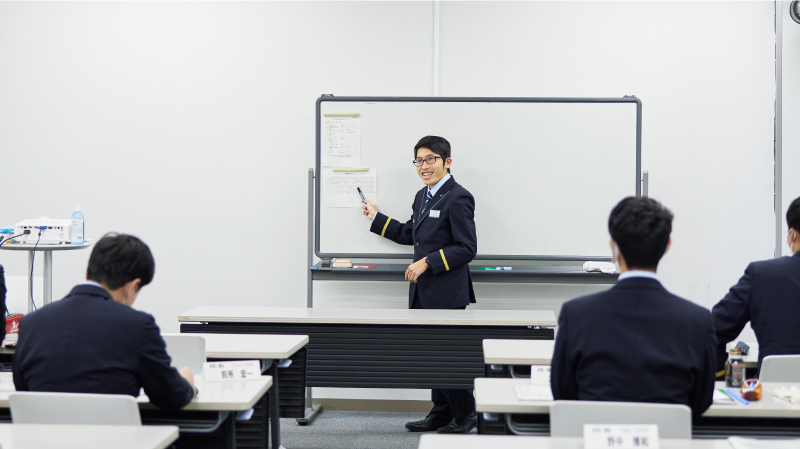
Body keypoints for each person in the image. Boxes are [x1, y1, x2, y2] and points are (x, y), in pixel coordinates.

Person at [551, 197, 716, 417]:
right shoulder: (699, 321)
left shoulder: (575, 315)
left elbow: (564, 395)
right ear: (667, 246)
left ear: (613, 249)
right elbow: (700, 402)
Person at [362, 135, 478, 433]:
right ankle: (441, 413)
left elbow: (467, 248)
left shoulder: (458, 196)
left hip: (448, 291)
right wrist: (377, 218)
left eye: (430, 159)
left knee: (451, 354)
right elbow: (411, 233)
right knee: (434, 354)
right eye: (419, 160)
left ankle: (466, 415)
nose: (424, 166)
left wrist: (428, 261)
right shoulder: (422, 196)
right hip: (424, 291)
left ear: (446, 162)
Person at [13, 233, 196, 411]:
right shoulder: (138, 325)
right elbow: (171, 397)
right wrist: (187, 384)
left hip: (43, 440)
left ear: (87, 274)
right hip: (113, 441)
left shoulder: (30, 323)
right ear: (132, 287)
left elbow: (23, 391)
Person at [712, 196, 800, 376]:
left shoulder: (761, 275)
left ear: (793, 235)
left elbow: (711, 331)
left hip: (773, 397)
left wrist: (720, 373)